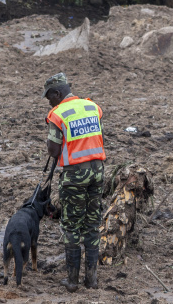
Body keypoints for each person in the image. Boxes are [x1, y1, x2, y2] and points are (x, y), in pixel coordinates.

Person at [43, 73, 106, 292]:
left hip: (75, 176)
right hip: (98, 172)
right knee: (91, 224)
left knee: (71, 226)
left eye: (49, 97)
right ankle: (92, 280)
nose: (49, 101)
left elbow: (53, 150)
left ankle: (72, 281)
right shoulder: (92, 107)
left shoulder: (57, 114)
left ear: (58, 93)